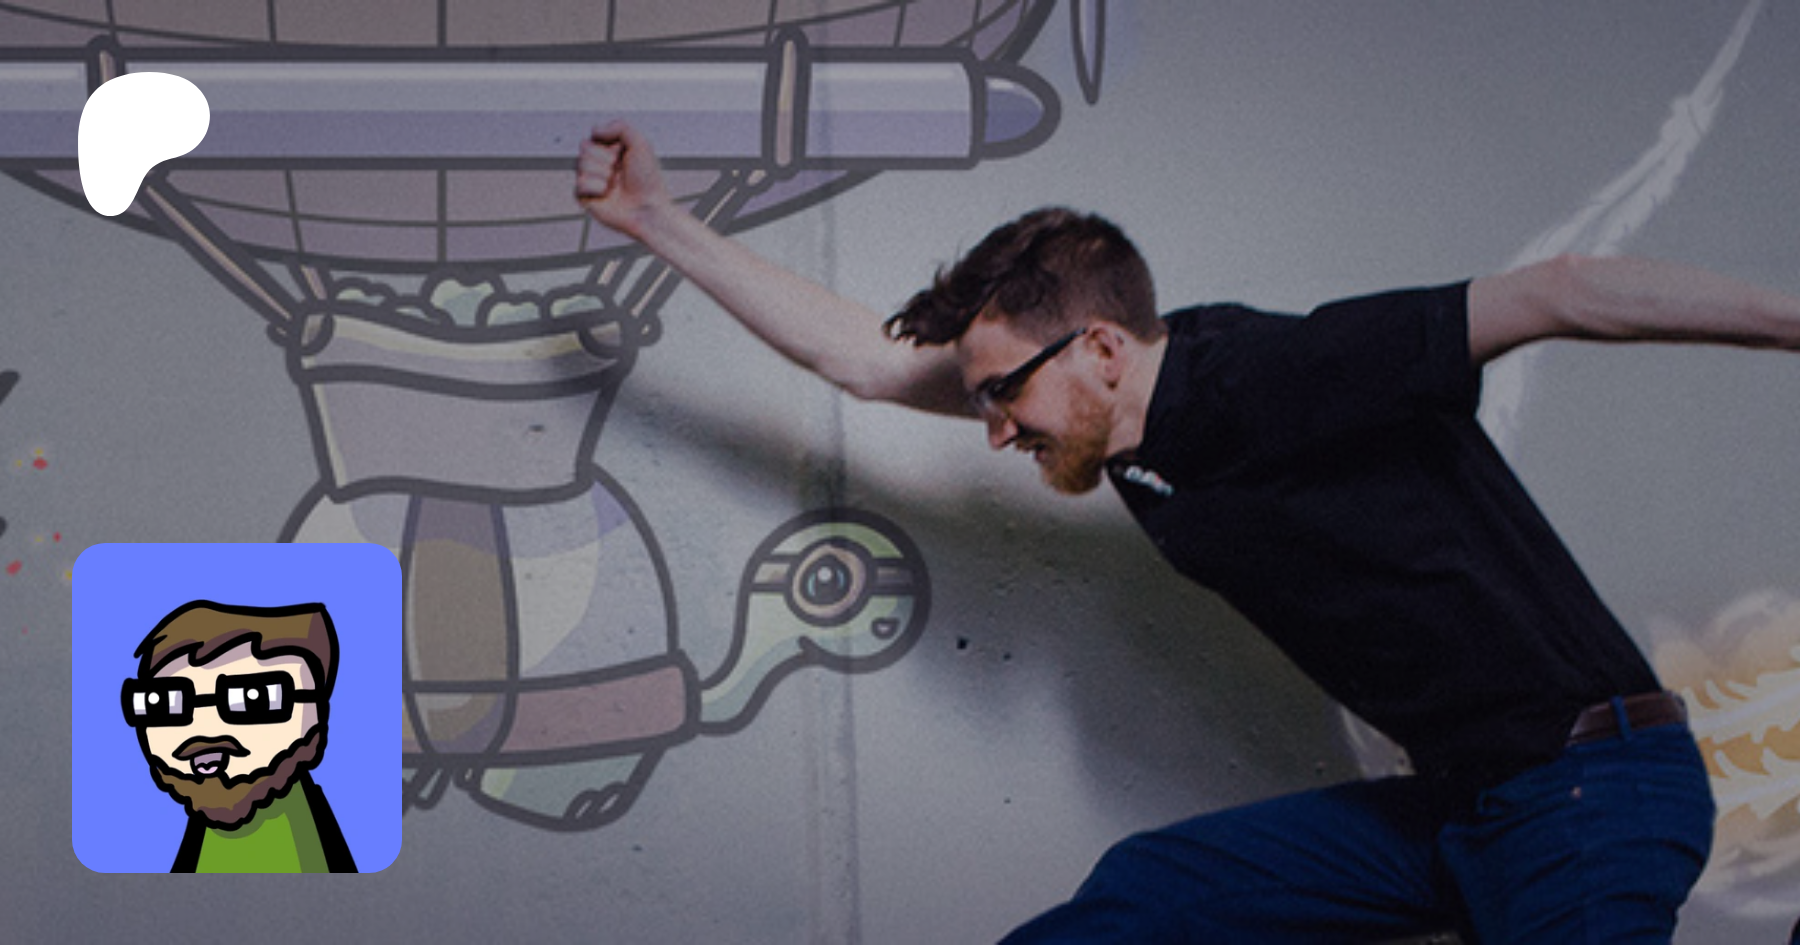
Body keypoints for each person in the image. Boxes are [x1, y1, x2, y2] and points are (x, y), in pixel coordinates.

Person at [576, 121, 1800, 942]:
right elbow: (866, 363)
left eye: (1005, 396)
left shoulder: (1277, 372)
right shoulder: (1107, 419)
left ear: (1103, 346)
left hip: (1591, 792)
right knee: (1147, 898)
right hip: (1463, 805)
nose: (993, 430)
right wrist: (657, 220)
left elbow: (1559, 289)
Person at [122, 600, 358, 873]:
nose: (205, 727)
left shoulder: (300, 846)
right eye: (163, 702)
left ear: (315, 713)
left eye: (254, 698)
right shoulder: (204, 832)